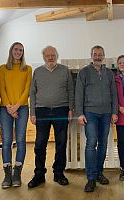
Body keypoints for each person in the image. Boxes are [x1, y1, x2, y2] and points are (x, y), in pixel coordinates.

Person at [28, 46, 74, 188]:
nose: (50, 57)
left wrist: (71, 108)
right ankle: (39, 174)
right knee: (40, 144)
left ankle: (58, 173)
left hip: (61, 110)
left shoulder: (65, 70)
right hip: (42, 111)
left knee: (61, 143)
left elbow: (71, 90)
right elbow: (33, 92)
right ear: (43, 57)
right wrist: (33, 112)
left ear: (57, 55)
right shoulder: (37, 72)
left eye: (53, 55)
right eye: (47, 55)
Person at [75, 45, 118, 192]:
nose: (98, 57)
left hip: (106, 113)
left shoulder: (109, 73)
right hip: (90, 113)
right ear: (91, 56)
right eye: (95, 54)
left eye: (100, 54)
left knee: (103, 144)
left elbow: (114, 94)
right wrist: (80, 113)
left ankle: (99, 173)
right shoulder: (84, 72)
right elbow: (78, 94)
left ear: (103, 56)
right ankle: (91, 178)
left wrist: (114, 112)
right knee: (91, 143)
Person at [0, 42, 32, 189]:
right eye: (16, 49)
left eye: (21, 50)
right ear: (11, 50)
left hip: (23, 107)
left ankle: (17, 173)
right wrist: (9, 107)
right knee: (6, 140)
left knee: (20, 140)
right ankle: (7, 174)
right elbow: (2, 88)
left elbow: (27, 89)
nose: (18, 52)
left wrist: (17, 106)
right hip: (6, 108)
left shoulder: (27, 69)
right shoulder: (3, 68)